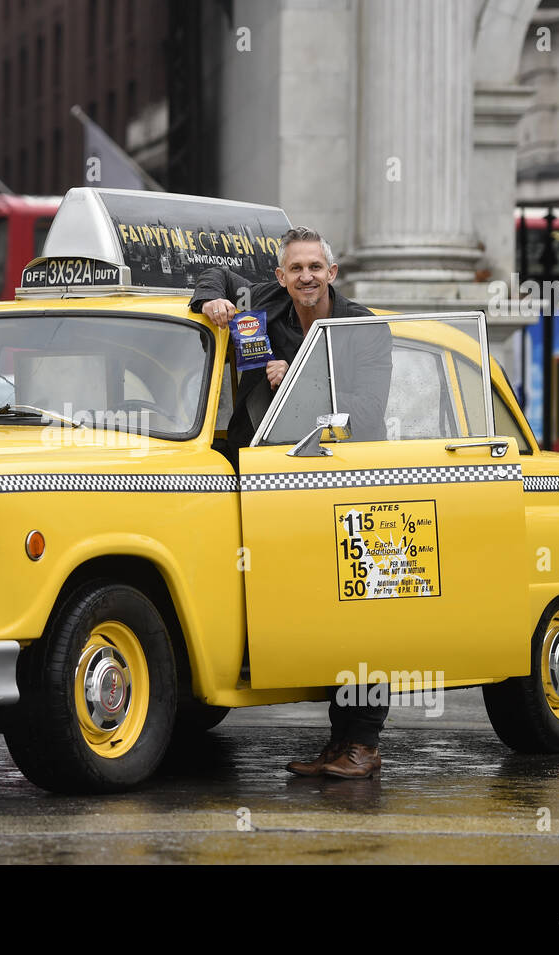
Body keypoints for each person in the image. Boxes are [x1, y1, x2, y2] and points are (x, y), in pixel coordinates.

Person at [188, 227, 392, 779]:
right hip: (275, 477)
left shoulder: (365, 328)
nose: (305, 276)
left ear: (332, 273)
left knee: (356, 608)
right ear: (282, 276)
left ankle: (362, 744)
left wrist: (298, 381)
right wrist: (211, 299)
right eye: (295, 268)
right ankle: (338, 744)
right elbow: (217, 275)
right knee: (314, 606)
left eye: (315, 268)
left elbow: (370, 410)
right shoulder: (267, 301)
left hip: (348, 476)